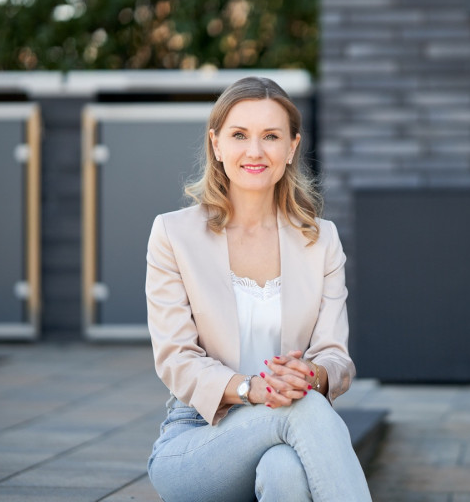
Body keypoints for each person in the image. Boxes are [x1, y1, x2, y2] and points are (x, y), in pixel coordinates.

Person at [145, 76, 371, 502]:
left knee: (284, 469)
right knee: (301, 407)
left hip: (291, 430)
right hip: (197, 436)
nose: (254, 150)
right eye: (239, 135)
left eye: (270, 136)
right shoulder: (173, 234)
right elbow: (176, 359)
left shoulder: (320, 240)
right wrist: (251, 388)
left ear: (291, 148)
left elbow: (334, 357)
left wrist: (313, 374)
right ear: (216, 145)